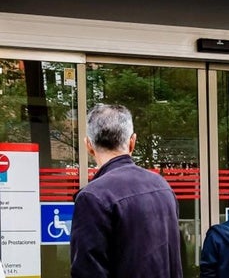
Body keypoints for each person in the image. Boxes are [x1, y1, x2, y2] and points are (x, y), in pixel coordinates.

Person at [70, 104, 183, 278]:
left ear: (89, 145)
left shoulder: (93, 197)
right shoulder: (162, 187)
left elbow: (87, 271)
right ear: (132, 142)